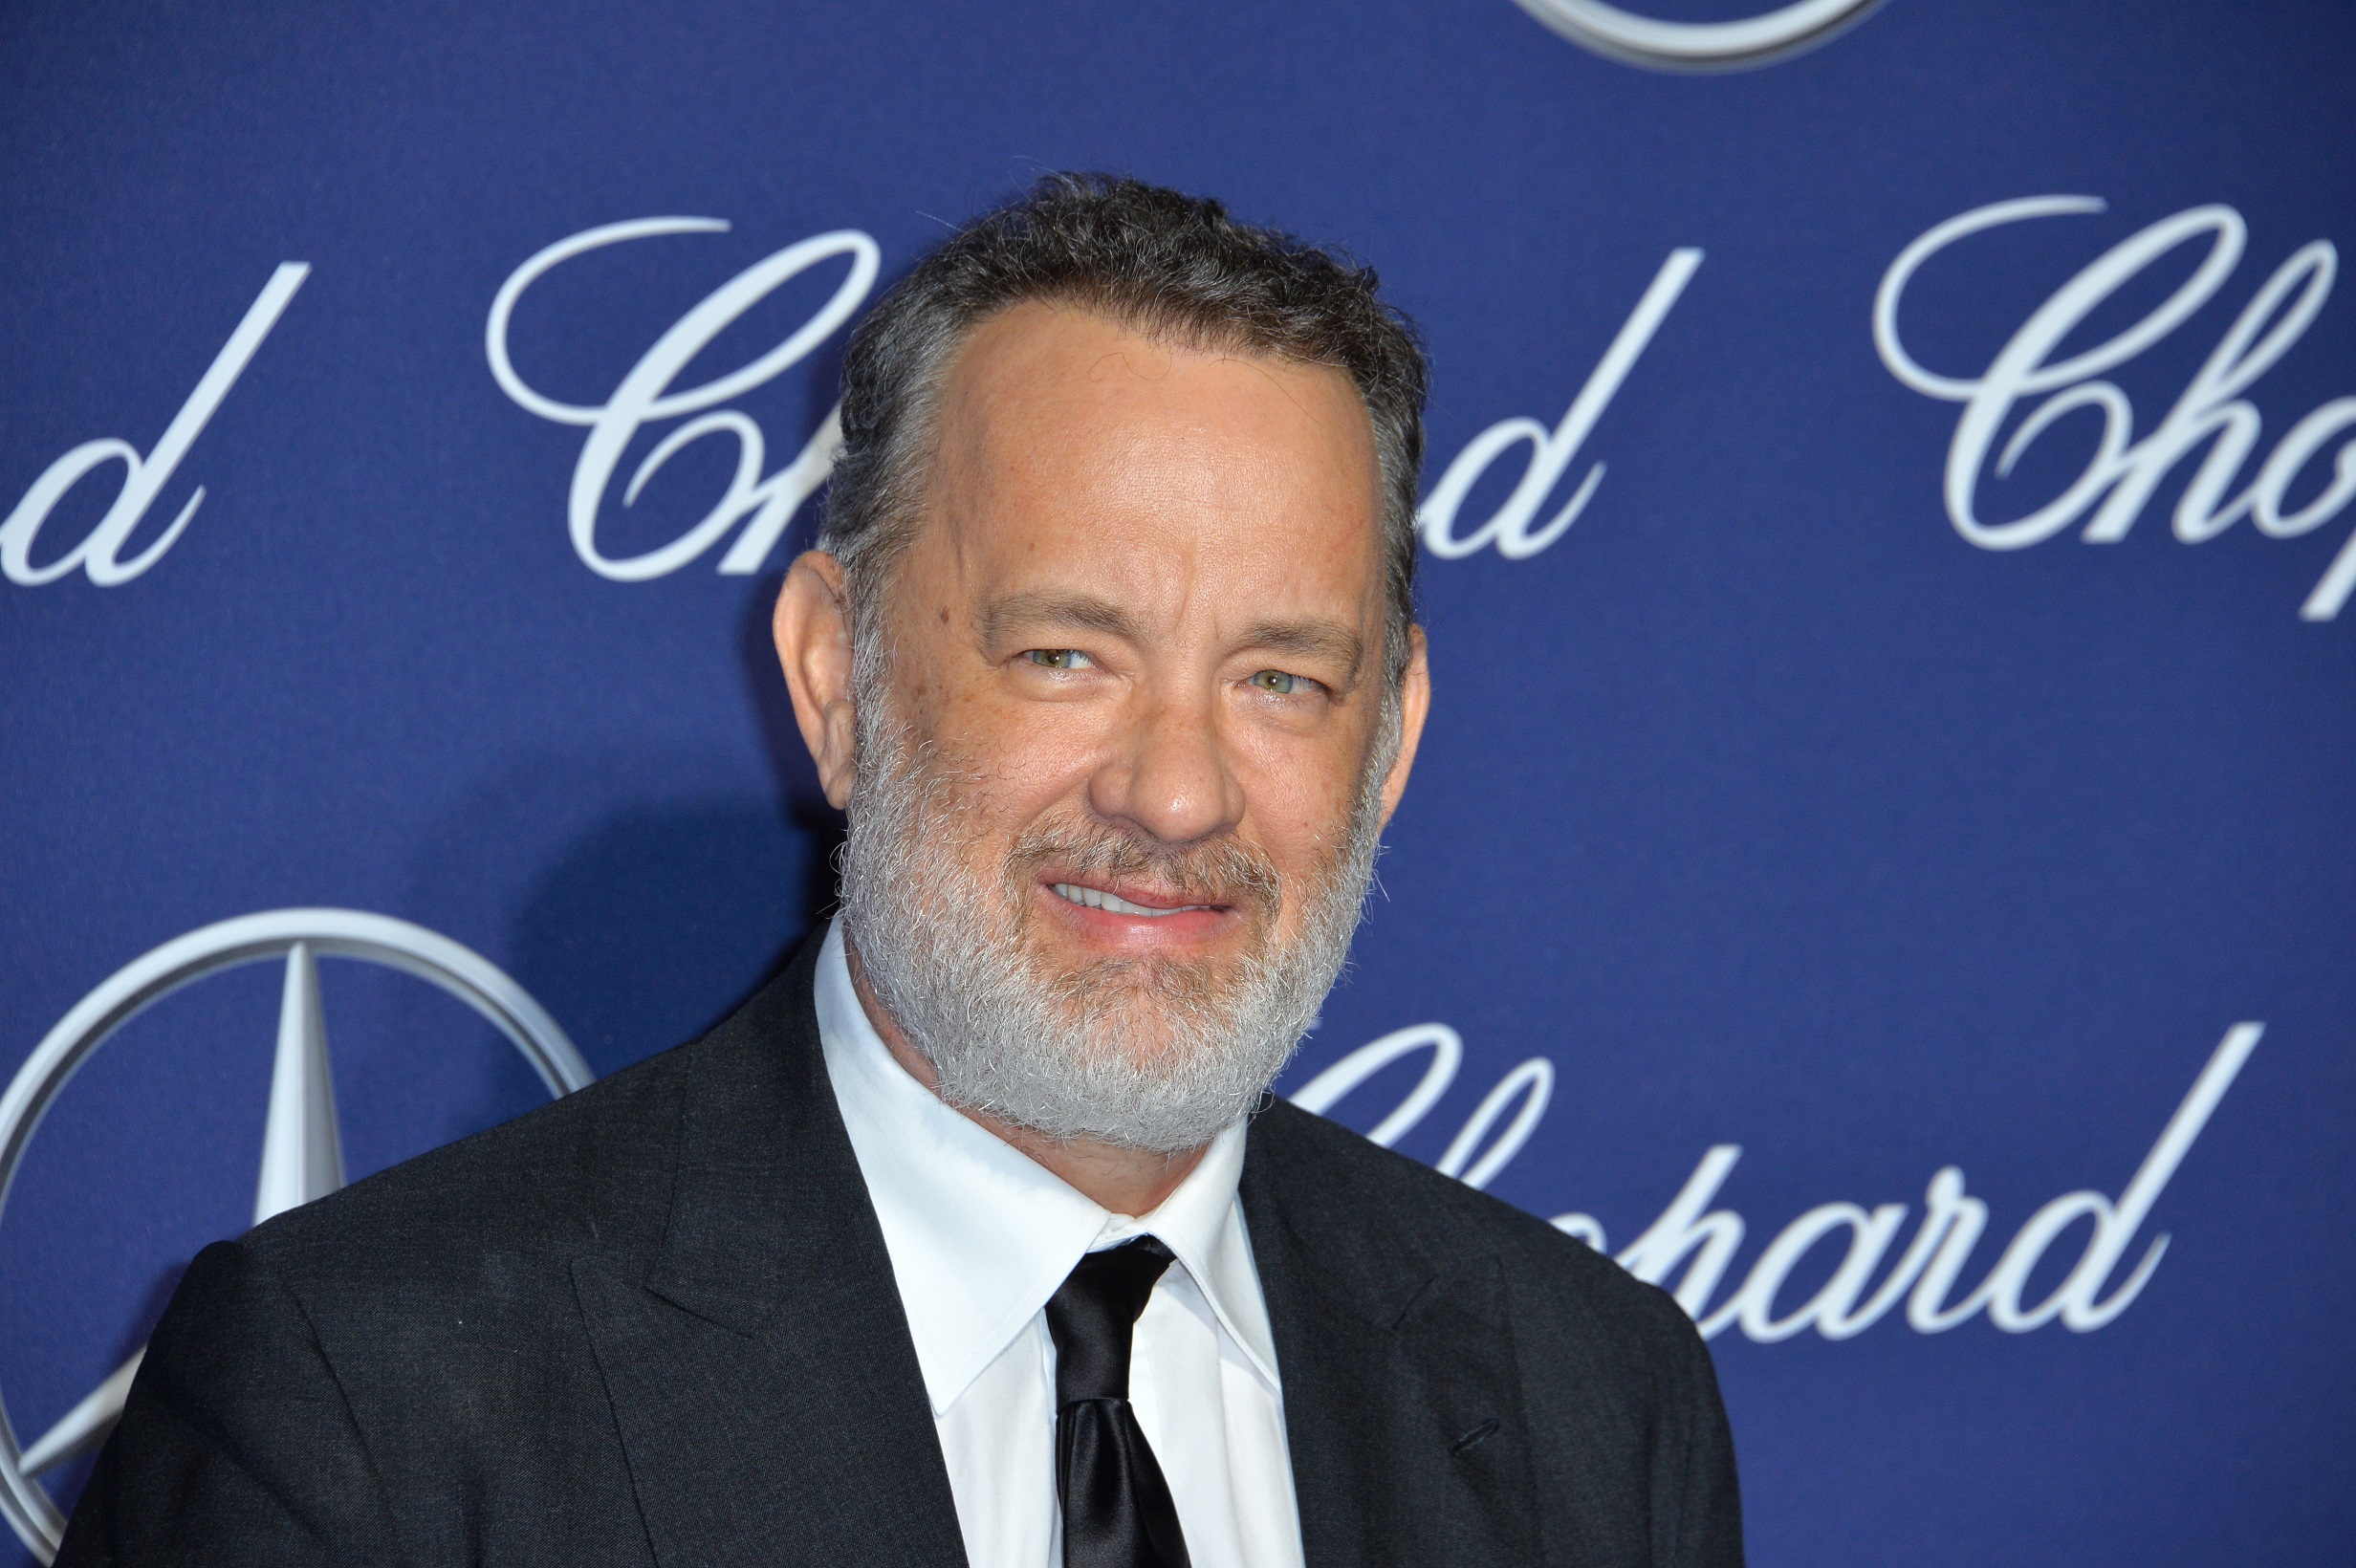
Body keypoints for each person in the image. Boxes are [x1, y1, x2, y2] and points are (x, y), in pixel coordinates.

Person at [60, 174, 1741, 1568]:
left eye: (1283, 679)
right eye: (1067, 653)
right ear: (834, 681)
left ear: (1394, 739)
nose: (1175, 790)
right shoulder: (367, 1410)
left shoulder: (1595, 1402)